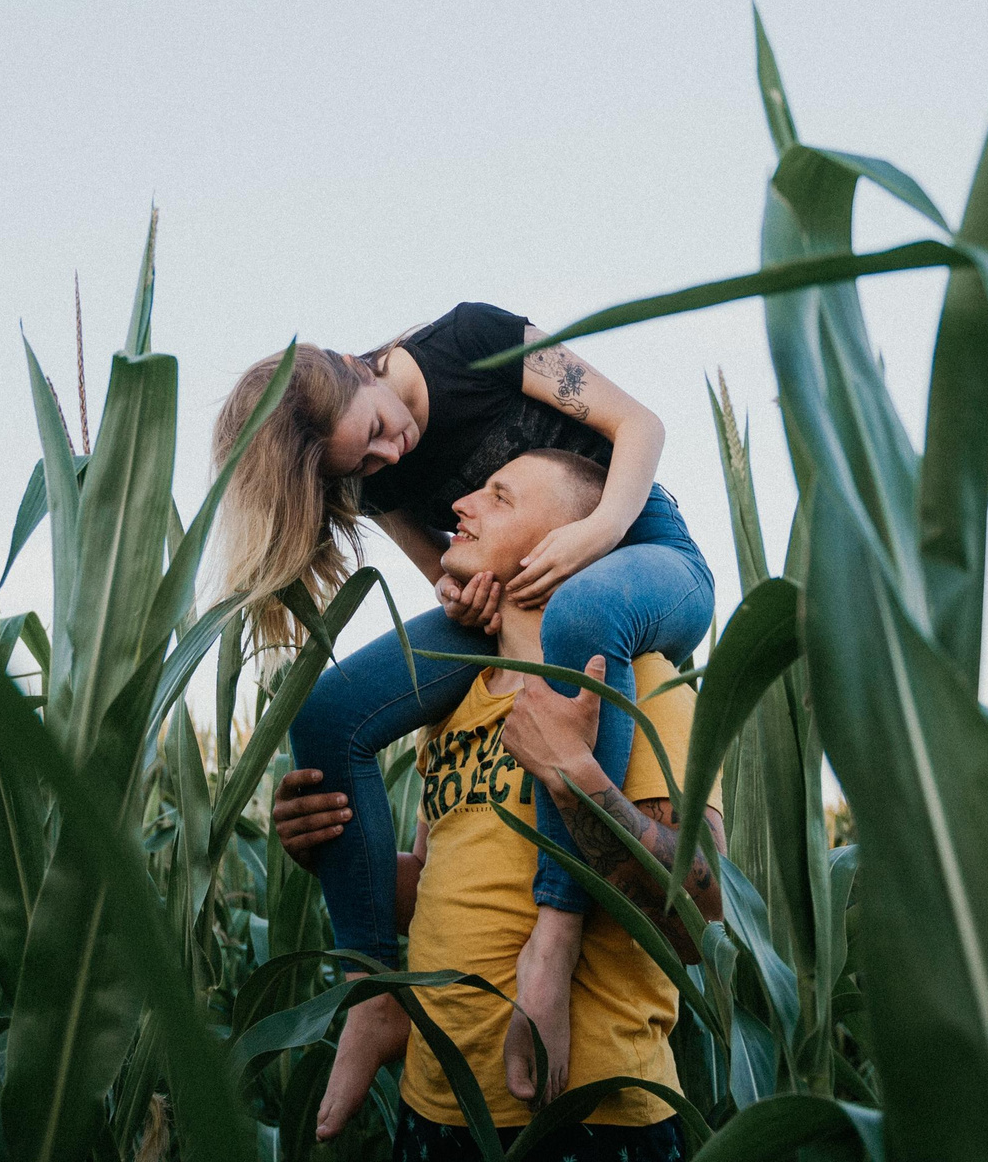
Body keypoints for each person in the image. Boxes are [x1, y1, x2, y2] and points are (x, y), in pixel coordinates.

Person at [213, 305, 714, 1124]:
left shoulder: (472, 341)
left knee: (584, 615)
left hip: (644, 550)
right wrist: (462, 593)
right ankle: (373, 993)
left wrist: (598, 534)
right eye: (362, 463)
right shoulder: (375, 476)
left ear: (358, 365)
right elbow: (448, 574)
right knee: (329, 712)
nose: (388, 455)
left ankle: (555, 937)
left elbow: (640, 425)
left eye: (376, 431)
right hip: (532, 587)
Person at [272, 450, 726, 1158]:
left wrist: (576, 779)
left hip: (587, 1114)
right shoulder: (451, 706)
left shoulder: (644, 690)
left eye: (500, 496)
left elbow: (702, 925)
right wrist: (330, 844)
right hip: (434, 1102)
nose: (462, 505)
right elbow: (429, 891)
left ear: (570, 543)